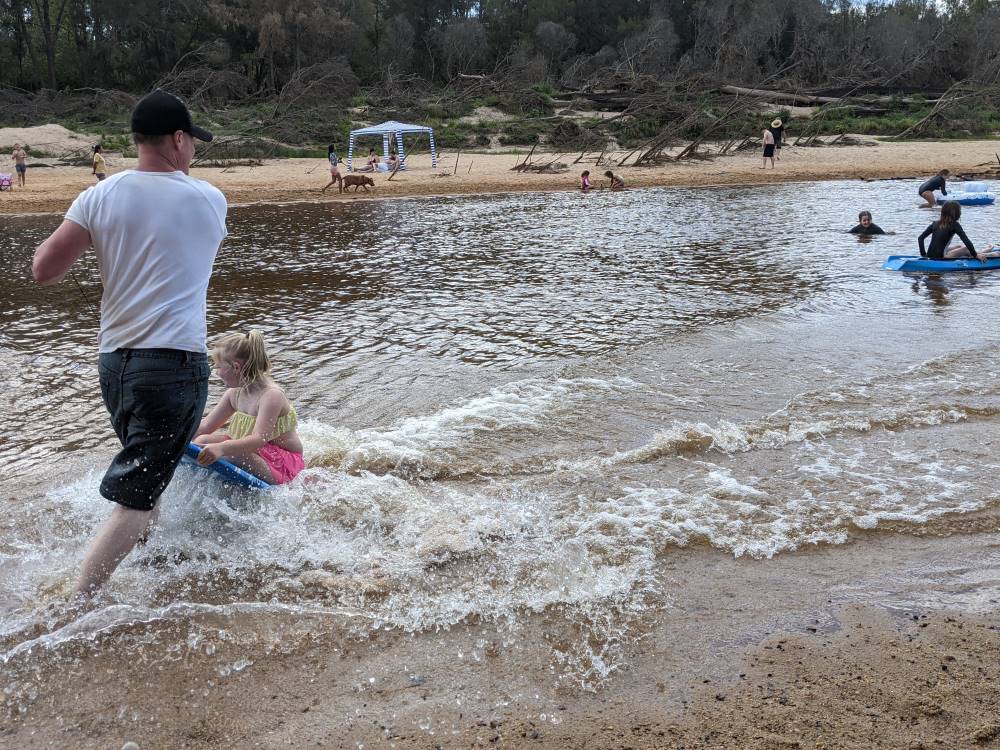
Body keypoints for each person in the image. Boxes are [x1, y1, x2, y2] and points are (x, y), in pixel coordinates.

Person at [31, 89, 225, 597]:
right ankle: (77, 604)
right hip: (174, 364)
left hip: (114, 364)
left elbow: (44, 270)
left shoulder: (97, 196)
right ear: (178, 140)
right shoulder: (209, 198)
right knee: (138, 492)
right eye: (192, 142)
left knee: (148, 472)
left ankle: (149, 564)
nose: (194, 151)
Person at [192, 331, 305, 485]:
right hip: (257, 453)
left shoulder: (271, 396)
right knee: (201, 440)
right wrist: (176, 439)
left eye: (219, 367)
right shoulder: (234, 393)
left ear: (236, 367)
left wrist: (221, 449)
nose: (216, 373)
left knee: (235, 455)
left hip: (284, 463)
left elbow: (259, 439)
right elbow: (206, 426)